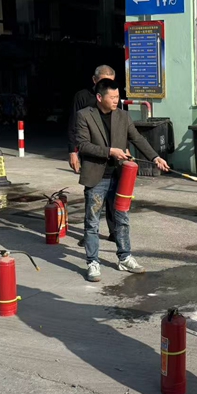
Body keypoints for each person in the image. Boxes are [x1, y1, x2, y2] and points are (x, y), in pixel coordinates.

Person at [75, 79, 169, 282]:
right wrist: (110, 152)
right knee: (92, 222)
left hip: (120, 178)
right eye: (113, 97)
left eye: (118, 96)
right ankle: (93, 262)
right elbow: (83, 145)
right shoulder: (84, 116)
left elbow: (138, 139)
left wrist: (155, 158)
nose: (117, 100)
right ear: (100, 97)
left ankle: (125, 257)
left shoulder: (123, 116)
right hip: (96, 177)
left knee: (122, 219)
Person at [69, 65, 119, 245]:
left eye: (110, 82)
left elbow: (121, 127)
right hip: (91, 155)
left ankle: (114, 232)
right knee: (93, 198)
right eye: (103, 81)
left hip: (112, 156)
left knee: (113, 198)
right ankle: (90, 234)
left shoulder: (113, 98)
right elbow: (73, 126)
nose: (107, 85)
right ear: (94, 80)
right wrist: (72, 151)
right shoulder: (83, 98)